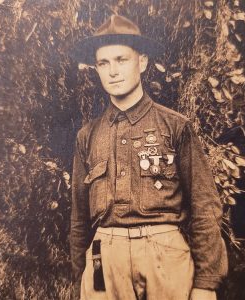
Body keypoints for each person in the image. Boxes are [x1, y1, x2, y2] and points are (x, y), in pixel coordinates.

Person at [70, 15, 228, 300]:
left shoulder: (175, 126)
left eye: (121, 59)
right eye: (103, 63)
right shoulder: (87, 136)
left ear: (141, 62)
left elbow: (204, 206)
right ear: (96, 68)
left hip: (165, 258)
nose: (113, 71)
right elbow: (79, 218)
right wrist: (80, 275)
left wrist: (206, 283)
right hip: (105, 261)